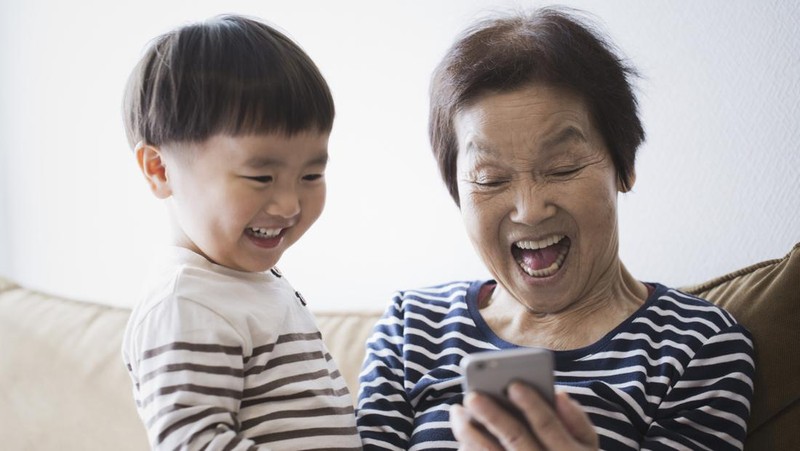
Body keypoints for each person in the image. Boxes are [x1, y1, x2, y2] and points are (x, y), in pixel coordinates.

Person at [356, 7, 754, 451]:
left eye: (562, 168)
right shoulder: (412, 328)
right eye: (491, 179)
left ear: (624, 168)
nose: (529, 210)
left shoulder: (698, 346)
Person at [120, 15, 361, 450]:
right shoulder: (186, 304)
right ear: (160, 170)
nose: (289, 205)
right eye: (260, 178)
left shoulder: (245, 285)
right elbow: (193, 442)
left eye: (311, 175)